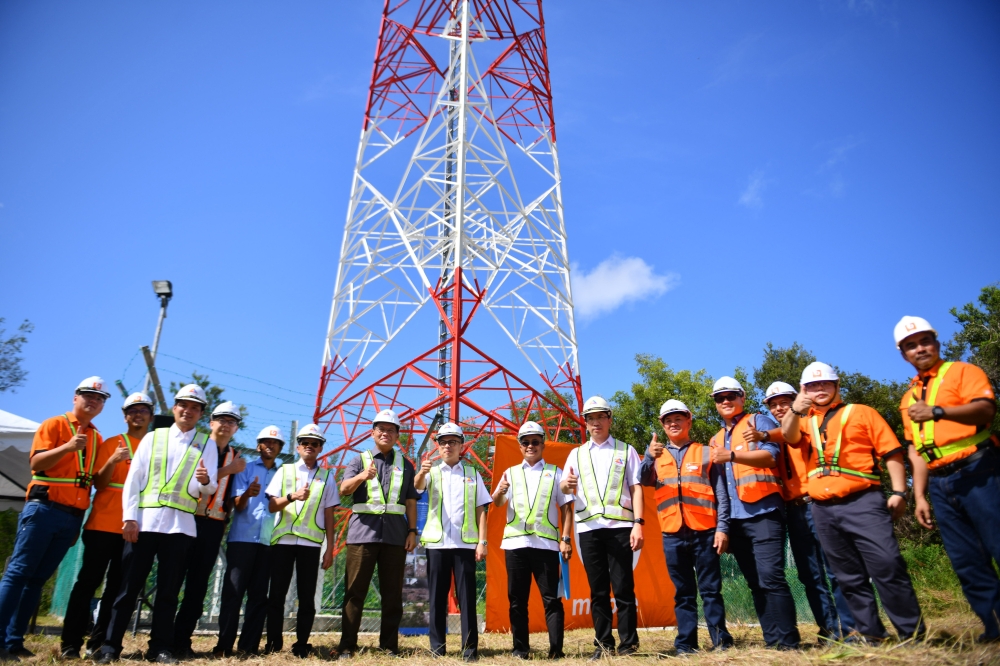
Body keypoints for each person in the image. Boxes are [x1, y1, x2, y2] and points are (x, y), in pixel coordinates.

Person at [781, 362, 925, 643]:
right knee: (848, 576)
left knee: (887, 564)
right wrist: (796, 407)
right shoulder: (803, 420)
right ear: (803, 390)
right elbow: (788, 436)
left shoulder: (862, 412)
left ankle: (912, 634)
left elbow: (892, 453)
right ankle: (872, 634)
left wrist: (899, 492)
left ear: (837, 386)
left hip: (863, 500)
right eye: (812, 385)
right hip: (822, 508)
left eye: (825, 384)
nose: (819, 389)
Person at [96, 384, 219, 664]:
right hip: (145, 522)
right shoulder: (153, 438)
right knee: (127, 588)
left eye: (195, 407)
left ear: (200, 413)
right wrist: (129, 518)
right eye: (183, 405)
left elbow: (210, 488)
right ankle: (110, 647)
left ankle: (159, 648)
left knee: (168, 592)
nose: (188, 411)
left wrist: (204, 481)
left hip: (180, 527)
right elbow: (134, 480)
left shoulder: (207, 444)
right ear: (175, 408)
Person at [895, 316, 1000, 642]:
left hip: (978, 469)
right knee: (967, 561)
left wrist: (938, 412)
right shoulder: (908, 398)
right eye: (911, 345)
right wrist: (921, 496)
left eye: (925, 341)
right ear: (903, 354)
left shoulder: (962, 372)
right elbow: (916, 449)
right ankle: (995, 626)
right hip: (939, 483)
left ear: (937, 344)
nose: (920, 349)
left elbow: (985, 410)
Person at [0, 377, 108, 663]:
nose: (93, 401)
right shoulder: (54, 425)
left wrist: (78, 520)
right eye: (88, 395)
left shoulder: (96, 437)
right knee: (18, 573)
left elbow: (88, 482)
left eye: (99, 399)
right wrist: (68, 447)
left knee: (36, 580)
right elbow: (36, 463)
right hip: (44, 508)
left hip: (70, 517)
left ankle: (14, 641)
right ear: (75, 397)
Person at [756, 381, 855, 641]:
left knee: (836, 570)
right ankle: (829, 629)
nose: (778, 408)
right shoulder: (773, 435)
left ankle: (853, 629)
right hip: (793, 509)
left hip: (819, 503)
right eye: (773, 405)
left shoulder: (810, 425)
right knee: (810, 575)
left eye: (784, 403)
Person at [708, 376, 799, 650]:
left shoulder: (759, 421)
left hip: (764, 513)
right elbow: (721, 489)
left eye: (731, 396)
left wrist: (733, 456)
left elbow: (772, 456)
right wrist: (723, 525)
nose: (726, 401)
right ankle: (773, 640)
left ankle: (788, 641)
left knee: (772, 578)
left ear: (742, 397)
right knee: (756, 583)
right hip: (736, 521)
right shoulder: (715, 439)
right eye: (720, 398)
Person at [61, 393, 153, 659]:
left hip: (133, 530)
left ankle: (98, 644)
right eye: (132, 410)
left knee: (116, 590)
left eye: (143, 410)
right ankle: (70, 643)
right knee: (87, 584)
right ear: (125, 416)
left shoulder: (154, 447)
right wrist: (113, 459)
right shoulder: (111, 443)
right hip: (102, 525)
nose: (138, 415)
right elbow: (99, 484)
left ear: (150, 415)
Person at [639, 399, 733, 655]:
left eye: (678, 418)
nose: (673, 423)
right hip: (672, 533)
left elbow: (722, 494)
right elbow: (642, 479)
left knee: (711, 590)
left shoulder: (705, 452)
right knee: (683, 593)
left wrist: (723, 528)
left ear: (689, 421)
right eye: (668, 420)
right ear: (662, 425)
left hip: (705, 531)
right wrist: (649, 456)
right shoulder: (656, 456)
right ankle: (686, 644)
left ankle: (721, 641)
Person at [559, 395, 644, 660]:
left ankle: (628, 644)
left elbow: (636, 488)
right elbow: (563, 488)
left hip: (620, 526)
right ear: (585, 423)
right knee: (597, 590)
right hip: (588, 529)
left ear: (609, 419)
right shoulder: (576, 453)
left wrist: (639, 524)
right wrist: (566, 484)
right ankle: (603, 644)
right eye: (590, 418)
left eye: (600, 417)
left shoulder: (625, 449)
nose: (596, 422)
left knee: (623, 588)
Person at [335, 409, 419, 659]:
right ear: (373, 433)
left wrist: (413, 531)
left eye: (391, 429)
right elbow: (344, 490)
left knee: (392, 596)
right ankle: (347, 646)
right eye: (381, 429)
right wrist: (363, 475)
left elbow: (411, 501)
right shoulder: (358, 460)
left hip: (395, 537)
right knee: (354, 593)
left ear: (397, 435)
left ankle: (389, 647)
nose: (386, 433)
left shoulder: (406, 464)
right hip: (362, 537)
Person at [492, 421, 573, 660]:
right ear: (520, 446)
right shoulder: (510, 472)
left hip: (546, 545)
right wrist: (498, 491)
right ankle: (520, 650)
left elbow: (568, 507)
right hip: (516, 545)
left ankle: (556, 651)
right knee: (517, 600)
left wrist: (566, 538)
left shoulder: (555, 472)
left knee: (552, 601)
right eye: (525, 442)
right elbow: (497, 503)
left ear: (542, 445)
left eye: (535, 442)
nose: (530, 446)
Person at [173, 402, 246, 658]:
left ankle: (181, 640)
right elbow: (191, 478)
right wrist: (227, 470)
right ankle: (163, 639)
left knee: (197, 585)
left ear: (236, 427)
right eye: (221, 419)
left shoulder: (235, 455)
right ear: (211, 421)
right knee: (173, 581)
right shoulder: (197, 445)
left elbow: (232, 496)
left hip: (214, 526)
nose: (226, 425)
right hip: (186, 521)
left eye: (232, 421)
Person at [414, 422, 492, 661]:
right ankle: (437, 648)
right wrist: (422, 472)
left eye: (453, 442)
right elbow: (417, 488)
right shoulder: (432, 471)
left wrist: (483, 541)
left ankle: (469, 650)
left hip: (465, 543)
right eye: (443, 442)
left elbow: (481, 508)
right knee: (437, 597)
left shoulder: (472, 474)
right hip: (437, 543)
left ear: (461, 446)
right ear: (437, 446)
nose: (448, 446)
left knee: (467, 598)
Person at [263, 424, 340, 658]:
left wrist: (329, 549)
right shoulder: (284, 471)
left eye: (314, 443)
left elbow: (329, 515)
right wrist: (292, 496)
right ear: (298, 447)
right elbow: (271, 505)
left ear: (321, 448)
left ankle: (301, 644)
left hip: (311, 545)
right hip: (283, 542)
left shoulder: (327, 477)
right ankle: (273, 642)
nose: (309, 446)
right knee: (276, 595)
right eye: (305, 442)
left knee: (307, 598)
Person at [212, 426, 285, 657]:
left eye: (275, 443)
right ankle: (224, 646)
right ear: (258, 446)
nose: (270, 446)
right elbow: (237, 506)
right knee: (233, 593)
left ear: (280, 448)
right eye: (265, 442)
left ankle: (249, 647)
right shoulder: (245, 469)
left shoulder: (284, 474)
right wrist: (247, 494)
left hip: (268, 541)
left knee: (258, 596)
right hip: (242, 539)